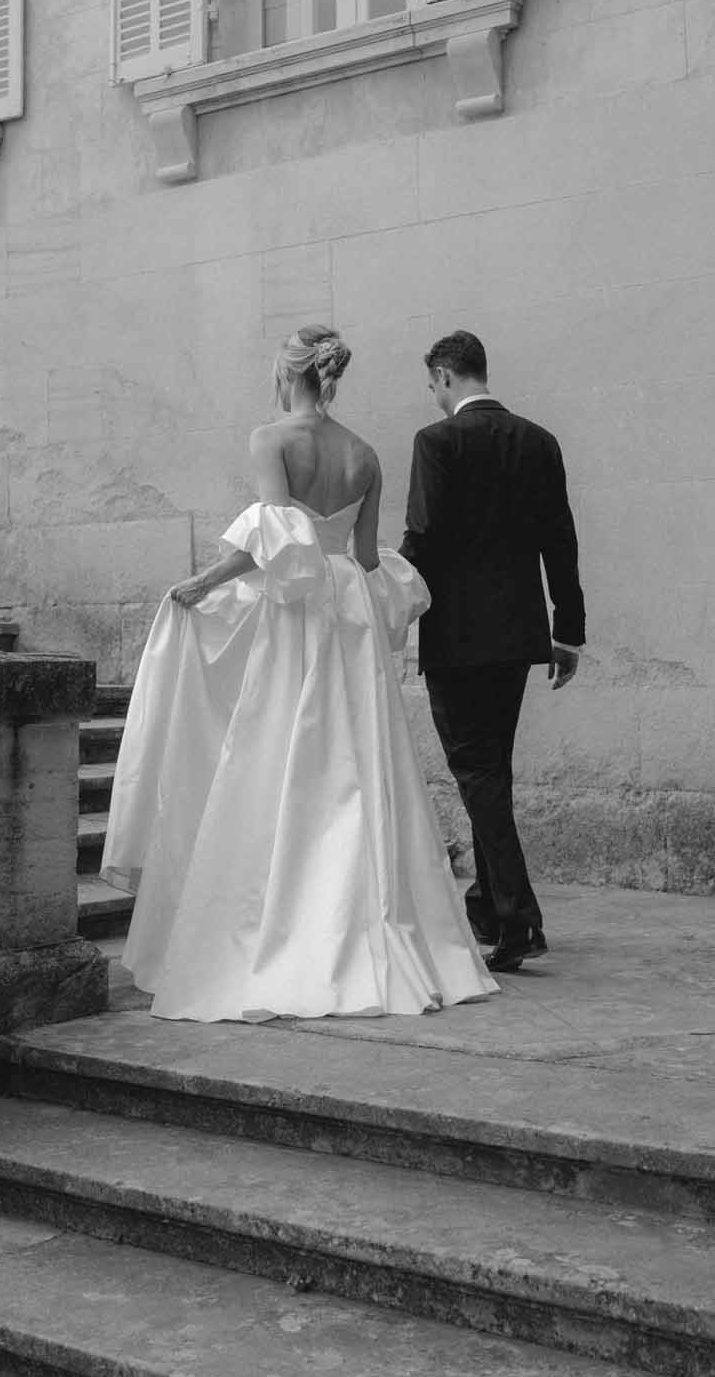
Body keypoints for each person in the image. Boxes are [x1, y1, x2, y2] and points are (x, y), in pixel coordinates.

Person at [100, 326, 497, 1023]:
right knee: (357, 762)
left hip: (299, 613)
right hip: (351, 611)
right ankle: (372, 923)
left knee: (283, 754)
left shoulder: (270, 439)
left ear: (285, 374)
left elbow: (275, 543)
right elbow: (368, 557)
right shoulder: (365, 453)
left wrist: (202, 580)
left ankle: (286, 928)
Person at [401, 330, 585, 974]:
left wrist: (384, 597)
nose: (432, 397)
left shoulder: (437, 441)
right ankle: (486, 903)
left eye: (432, 385)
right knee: (491, 771)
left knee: (476, 773)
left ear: (447, 377)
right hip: (519, 637)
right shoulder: (539, 441)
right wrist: (569, 631)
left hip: (456, 639)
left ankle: (518, 916)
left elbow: (422, 536)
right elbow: (560, 541)